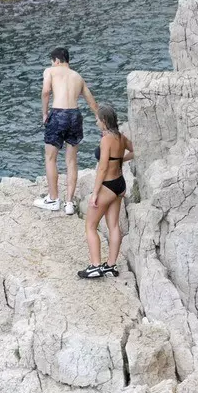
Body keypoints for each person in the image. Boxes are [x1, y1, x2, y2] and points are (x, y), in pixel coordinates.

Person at [36, 47, 103, 217]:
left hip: (58, 114)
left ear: (56, 60)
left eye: (52, 61)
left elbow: (45, 92)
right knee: (71, 161)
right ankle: (69, 203)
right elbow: (92, 103)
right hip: (75, 116)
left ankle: (53, 199)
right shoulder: (77, 76)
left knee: (51, 158)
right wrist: (103, 123)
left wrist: (44, 113)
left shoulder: (50, 71)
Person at [79, 104, 134, 279]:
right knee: (114, 226)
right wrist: (120, 161)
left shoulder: (106, 140)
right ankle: (110, 266)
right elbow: (136, 150)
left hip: (107, 185)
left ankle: (95, 266)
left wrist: (94, 193)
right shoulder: (121, 137)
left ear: (103, 121)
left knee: (90, 226)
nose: (95, 123)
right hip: (120, 185)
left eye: (97, 119)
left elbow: (102, 169)